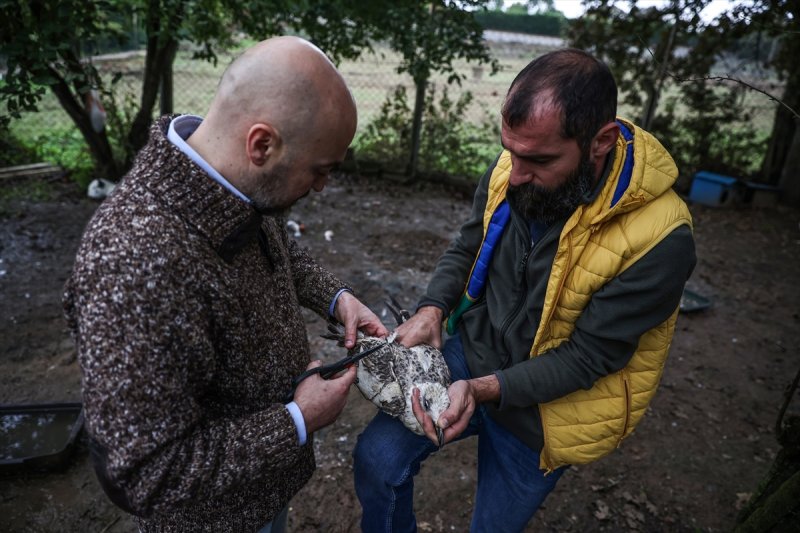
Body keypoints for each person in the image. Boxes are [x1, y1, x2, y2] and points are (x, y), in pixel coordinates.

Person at [353, 48, 696, 532]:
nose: (514, 174)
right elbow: (468, 245)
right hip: (472, 355)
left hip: (549, 415)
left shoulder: (660, 239)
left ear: (601, 141)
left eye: (538, 159)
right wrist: (433, 307)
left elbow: (589, 358)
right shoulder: (514, 166)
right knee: (376, 461)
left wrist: (485, 389)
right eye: (510, 150)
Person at [63, 36, 388, 533]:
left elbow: (278, 252)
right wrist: (296, 421)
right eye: (320, 170)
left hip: (260, 495)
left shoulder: (232, 177)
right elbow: (147, 473)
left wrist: (336, 298)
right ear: (261, 144)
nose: (322, 187)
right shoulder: (138, 262)